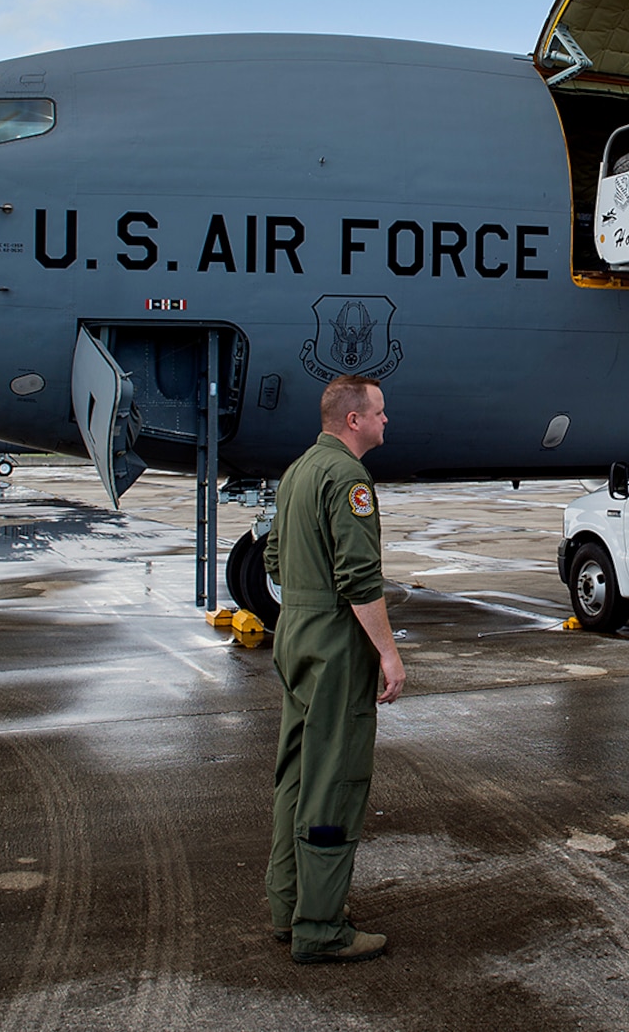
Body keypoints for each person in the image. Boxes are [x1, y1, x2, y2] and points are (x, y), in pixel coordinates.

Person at [263, 374, 408, 965]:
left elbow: (273, 553)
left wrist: (302, 600)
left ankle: (288, 905)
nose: (385, 420)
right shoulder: (348, 478)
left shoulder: (299, 470)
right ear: (354, 420)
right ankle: (320, 928)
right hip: (332, 644)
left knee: (297, 773)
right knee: (335, 777)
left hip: (295, 631)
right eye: (379, 412)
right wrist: (389, 653)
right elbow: (358, 578)